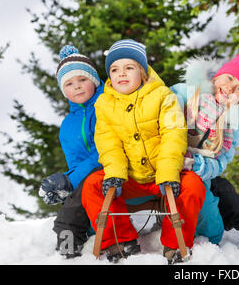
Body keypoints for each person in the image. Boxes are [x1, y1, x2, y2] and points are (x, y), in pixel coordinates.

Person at [80, 39, 206, 263]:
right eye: (114, 69)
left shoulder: (164, 97)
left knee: (193, 185)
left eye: (129, 67)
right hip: (129, 177)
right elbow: (109, 144)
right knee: (92, 185)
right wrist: (115, 174)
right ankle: (121, 240)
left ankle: (174, 243)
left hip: (163, 174)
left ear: (143, 71)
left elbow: (173, 135)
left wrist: (168, 173)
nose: (121, 74)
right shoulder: (104, 105)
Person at [170, 52, 239, 245]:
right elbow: (161, 108)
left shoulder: (232, 122)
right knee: (217, 191)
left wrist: (196, 165)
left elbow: (221, 162)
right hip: (167, 158)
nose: (230, 87)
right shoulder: (185, 92)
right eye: (229, 78)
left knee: (220, 189)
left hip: (199, 169)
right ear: (217, 75)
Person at [38, 45, 104, 258]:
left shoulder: (107, 104)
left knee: (79, 193)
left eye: (83, 80)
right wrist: (67, 185)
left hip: (115, 167)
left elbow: (105, 149)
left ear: (93, 80)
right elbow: (76, 164)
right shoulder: (67, 126)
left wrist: (70, 180)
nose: (77, 87)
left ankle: (70, 244)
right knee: (73, 199)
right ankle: (70, 246)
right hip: (88, 177)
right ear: (63, 90)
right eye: (69, 83)